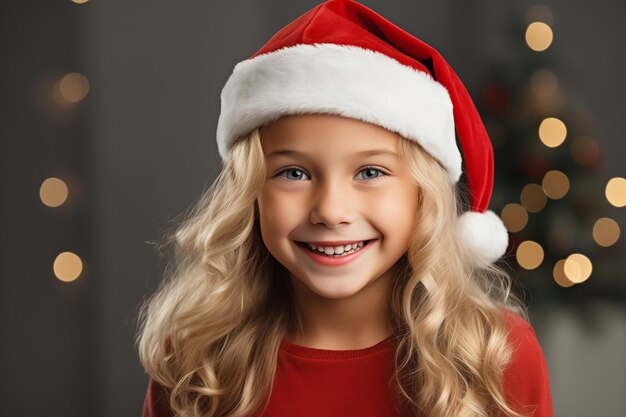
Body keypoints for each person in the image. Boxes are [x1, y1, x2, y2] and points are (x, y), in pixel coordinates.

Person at [136, 1, 554, 416]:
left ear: (422, 194)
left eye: (370, 172)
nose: (331, 211)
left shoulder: (495, 357)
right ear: (250, 193)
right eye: (294, 174)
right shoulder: (196, 363)